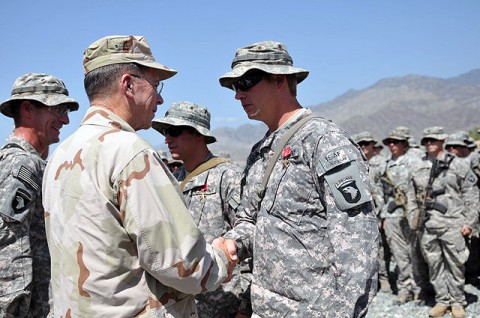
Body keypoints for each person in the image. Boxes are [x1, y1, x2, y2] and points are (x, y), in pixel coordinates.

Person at [42, 35, 236, 317]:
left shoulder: (62, 154)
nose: (159, 98)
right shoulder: (129, 152)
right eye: (155, 85)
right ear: (128, 85)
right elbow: (184, 265)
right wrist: (221, 256)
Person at [217, 40, 379, 317]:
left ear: (279, 79)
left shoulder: (323, 141)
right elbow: (249, 221)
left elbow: (357, 243)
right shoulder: (261, 152)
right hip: (267, 308)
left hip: (314, 309)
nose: (238, 95)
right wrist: (232, 242)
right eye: (235, 86)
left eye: (246, 82)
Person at [152, 101, 251, 317]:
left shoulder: (227, 176)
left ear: (199, 135)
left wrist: (243, 307)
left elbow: (249, 239)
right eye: (166, 132)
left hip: (224, 305)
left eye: (175, 131)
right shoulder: (174, 180)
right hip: (186, 305)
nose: (167, 139)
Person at [0, 73, 79, 317]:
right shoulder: (22, 164)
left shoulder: (34, 163)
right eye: (58, 109)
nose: (65, 120)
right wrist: (13, 311)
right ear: (28, 109)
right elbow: (9, 245)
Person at [407, 127, 479, 318]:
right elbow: (411, 196)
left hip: (454, 224)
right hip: (428, 226)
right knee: (434, 264)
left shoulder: (460, 165)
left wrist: (469, 223)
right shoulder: (416, 165)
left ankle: (457, 302)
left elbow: (471, 196)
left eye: (433, 140)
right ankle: (442, 300)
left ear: (442, 141)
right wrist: (413, 218)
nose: (429, 143)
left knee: (455, 264)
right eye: (427, 140)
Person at [378, 127, 429, 305]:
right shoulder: (385, 165)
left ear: (404, 144)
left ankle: (420, 290)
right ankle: (404, 289)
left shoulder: (415, 162)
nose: (392, 145)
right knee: (399, 255)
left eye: (396, 142)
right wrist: (381, 216)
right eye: (389, 142)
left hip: (412, 214)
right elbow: (379, 193)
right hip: (392, 216)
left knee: (415, 253)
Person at [353, 131, 391, 293]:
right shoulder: (354, 163)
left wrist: (385, 215)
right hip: (361, 215)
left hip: (381, 213)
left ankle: (385, 279)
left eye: (366, 144)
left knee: (384, 248)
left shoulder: (382, 164)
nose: (363, 147)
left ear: (373, 145)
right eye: (360, 144)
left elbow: (390, 191)